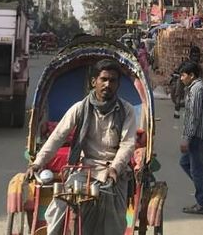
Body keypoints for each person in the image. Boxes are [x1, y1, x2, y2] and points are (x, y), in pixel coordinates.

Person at [27, 59, 137, 235]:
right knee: (59, 208)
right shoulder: (80, 108)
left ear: (118, 85)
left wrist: (115, 168)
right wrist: (37, 163)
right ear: (94, 82)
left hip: (114, 172)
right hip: (85, 170)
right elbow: (57, 137)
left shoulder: (126, 110)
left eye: (113, 80)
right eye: (104, 79)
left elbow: (128, 144)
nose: (108, 84)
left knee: (113, 222)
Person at [179, 60, 203, 215]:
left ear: (191, 75)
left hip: (198, 136)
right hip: (202, 134)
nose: (181, 78)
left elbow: (194, 116)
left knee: (196, 170)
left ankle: (202, 203)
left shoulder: (197, 90)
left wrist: (186, 138)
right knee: (185, 163)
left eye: (183, 75)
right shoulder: (200, 88)